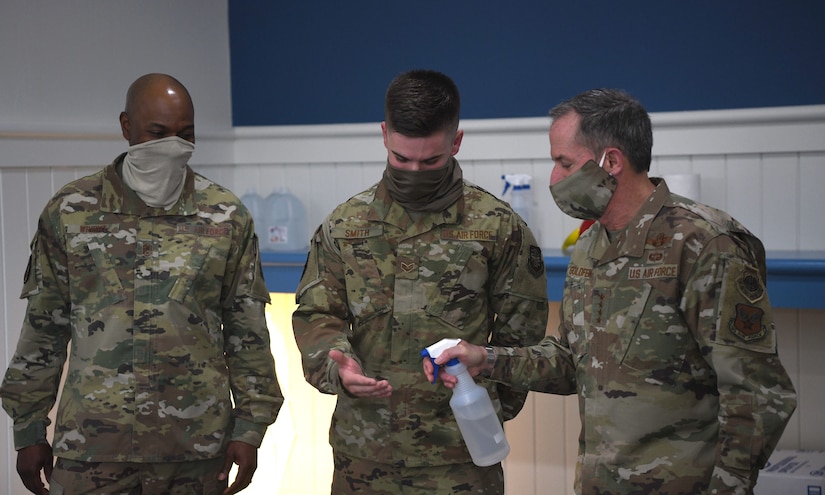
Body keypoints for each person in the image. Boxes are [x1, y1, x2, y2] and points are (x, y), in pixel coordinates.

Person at [426, 88, 798, 494]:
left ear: (612, 161)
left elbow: (757, 395)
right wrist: (485, 359)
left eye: (563, 163)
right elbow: (573, 361)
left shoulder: (703, 245)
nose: (554, 178)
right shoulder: (591, 246)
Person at [0, 73, 284, 495]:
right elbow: (45, 327)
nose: (173, 144)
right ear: (126, 127)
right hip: (93, 446)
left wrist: (250, 426)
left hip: (196, 448)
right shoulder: (71, 211)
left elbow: (247, 333)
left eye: (185, 134)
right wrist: (27, 428)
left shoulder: (225, 216)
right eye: (158, 133)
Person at [292, 69, 548, 494]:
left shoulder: (497, 226)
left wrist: (487, 405)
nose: (414, 170)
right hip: (364, 452)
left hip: (460, 457)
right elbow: (319, 313)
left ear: (456, 142)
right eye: (401, 158)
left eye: (430, 160)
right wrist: (337, 364)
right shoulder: (345, 225)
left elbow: (523, 334)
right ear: (384, 135)